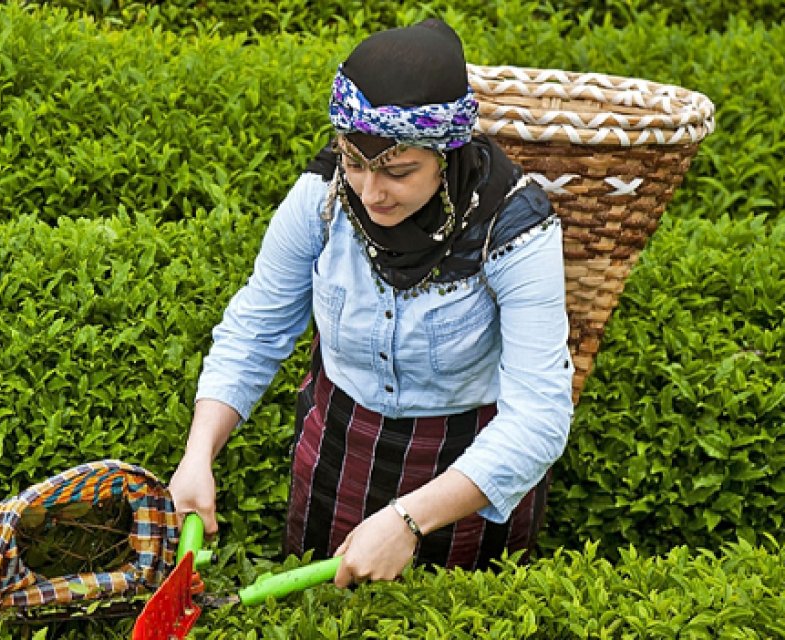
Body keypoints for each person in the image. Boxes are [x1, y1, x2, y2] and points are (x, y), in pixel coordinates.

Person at [167, 18, 574, 588]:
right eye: (355, 163)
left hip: (465, 472)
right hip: (340, 453)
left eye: (398, 172)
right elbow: (254, 330)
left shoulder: (514, 229)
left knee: (448, 614)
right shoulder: (322, 199)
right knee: (319, 610)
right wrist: (197, 454)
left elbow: (540, 418)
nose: (370, 192)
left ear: (447, 155)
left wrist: (409, 520)